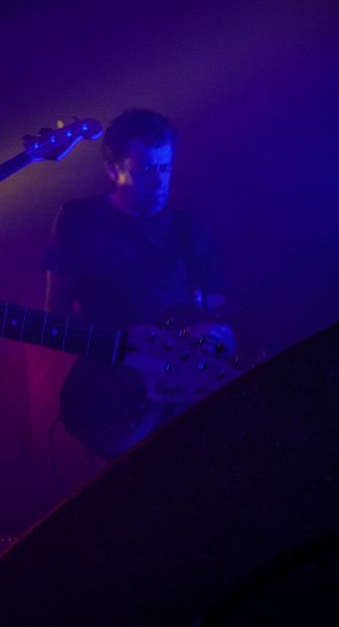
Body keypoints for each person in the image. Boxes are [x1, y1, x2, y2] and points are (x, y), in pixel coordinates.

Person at [40, 108, 232, 461]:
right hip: (120, 395)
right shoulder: (78, 220)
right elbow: (57, 314)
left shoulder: (192, 231)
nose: (159, 182)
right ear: (113, 171)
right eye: (145, 170)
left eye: (165, 168)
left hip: (187, 389)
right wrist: (121, 352)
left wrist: (220, 336)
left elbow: (219, 312)